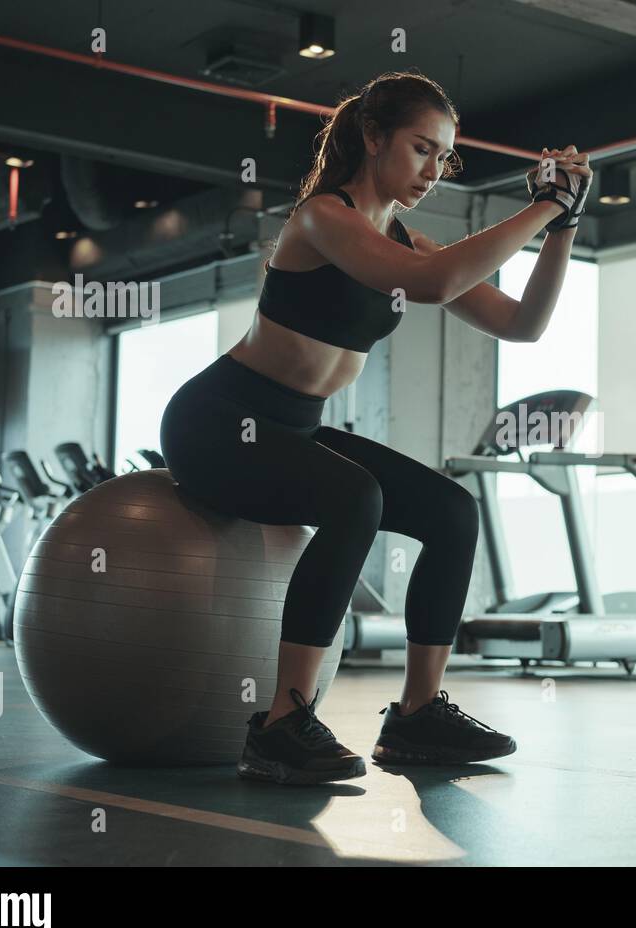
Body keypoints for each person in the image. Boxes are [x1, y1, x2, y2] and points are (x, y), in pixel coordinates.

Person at [159, 69, 591, 785]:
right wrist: (545, 206)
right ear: (372, 135)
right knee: (354, 497)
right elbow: (430, 285)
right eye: (422, 148)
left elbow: (524, 325)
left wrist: (565, 226)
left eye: (445, 157)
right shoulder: (322, 219)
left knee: (453, 511)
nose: (434, 170)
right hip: (218, 422)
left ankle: (418, 716)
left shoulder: (409, 241)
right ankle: (280, 725)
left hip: (293, 428)